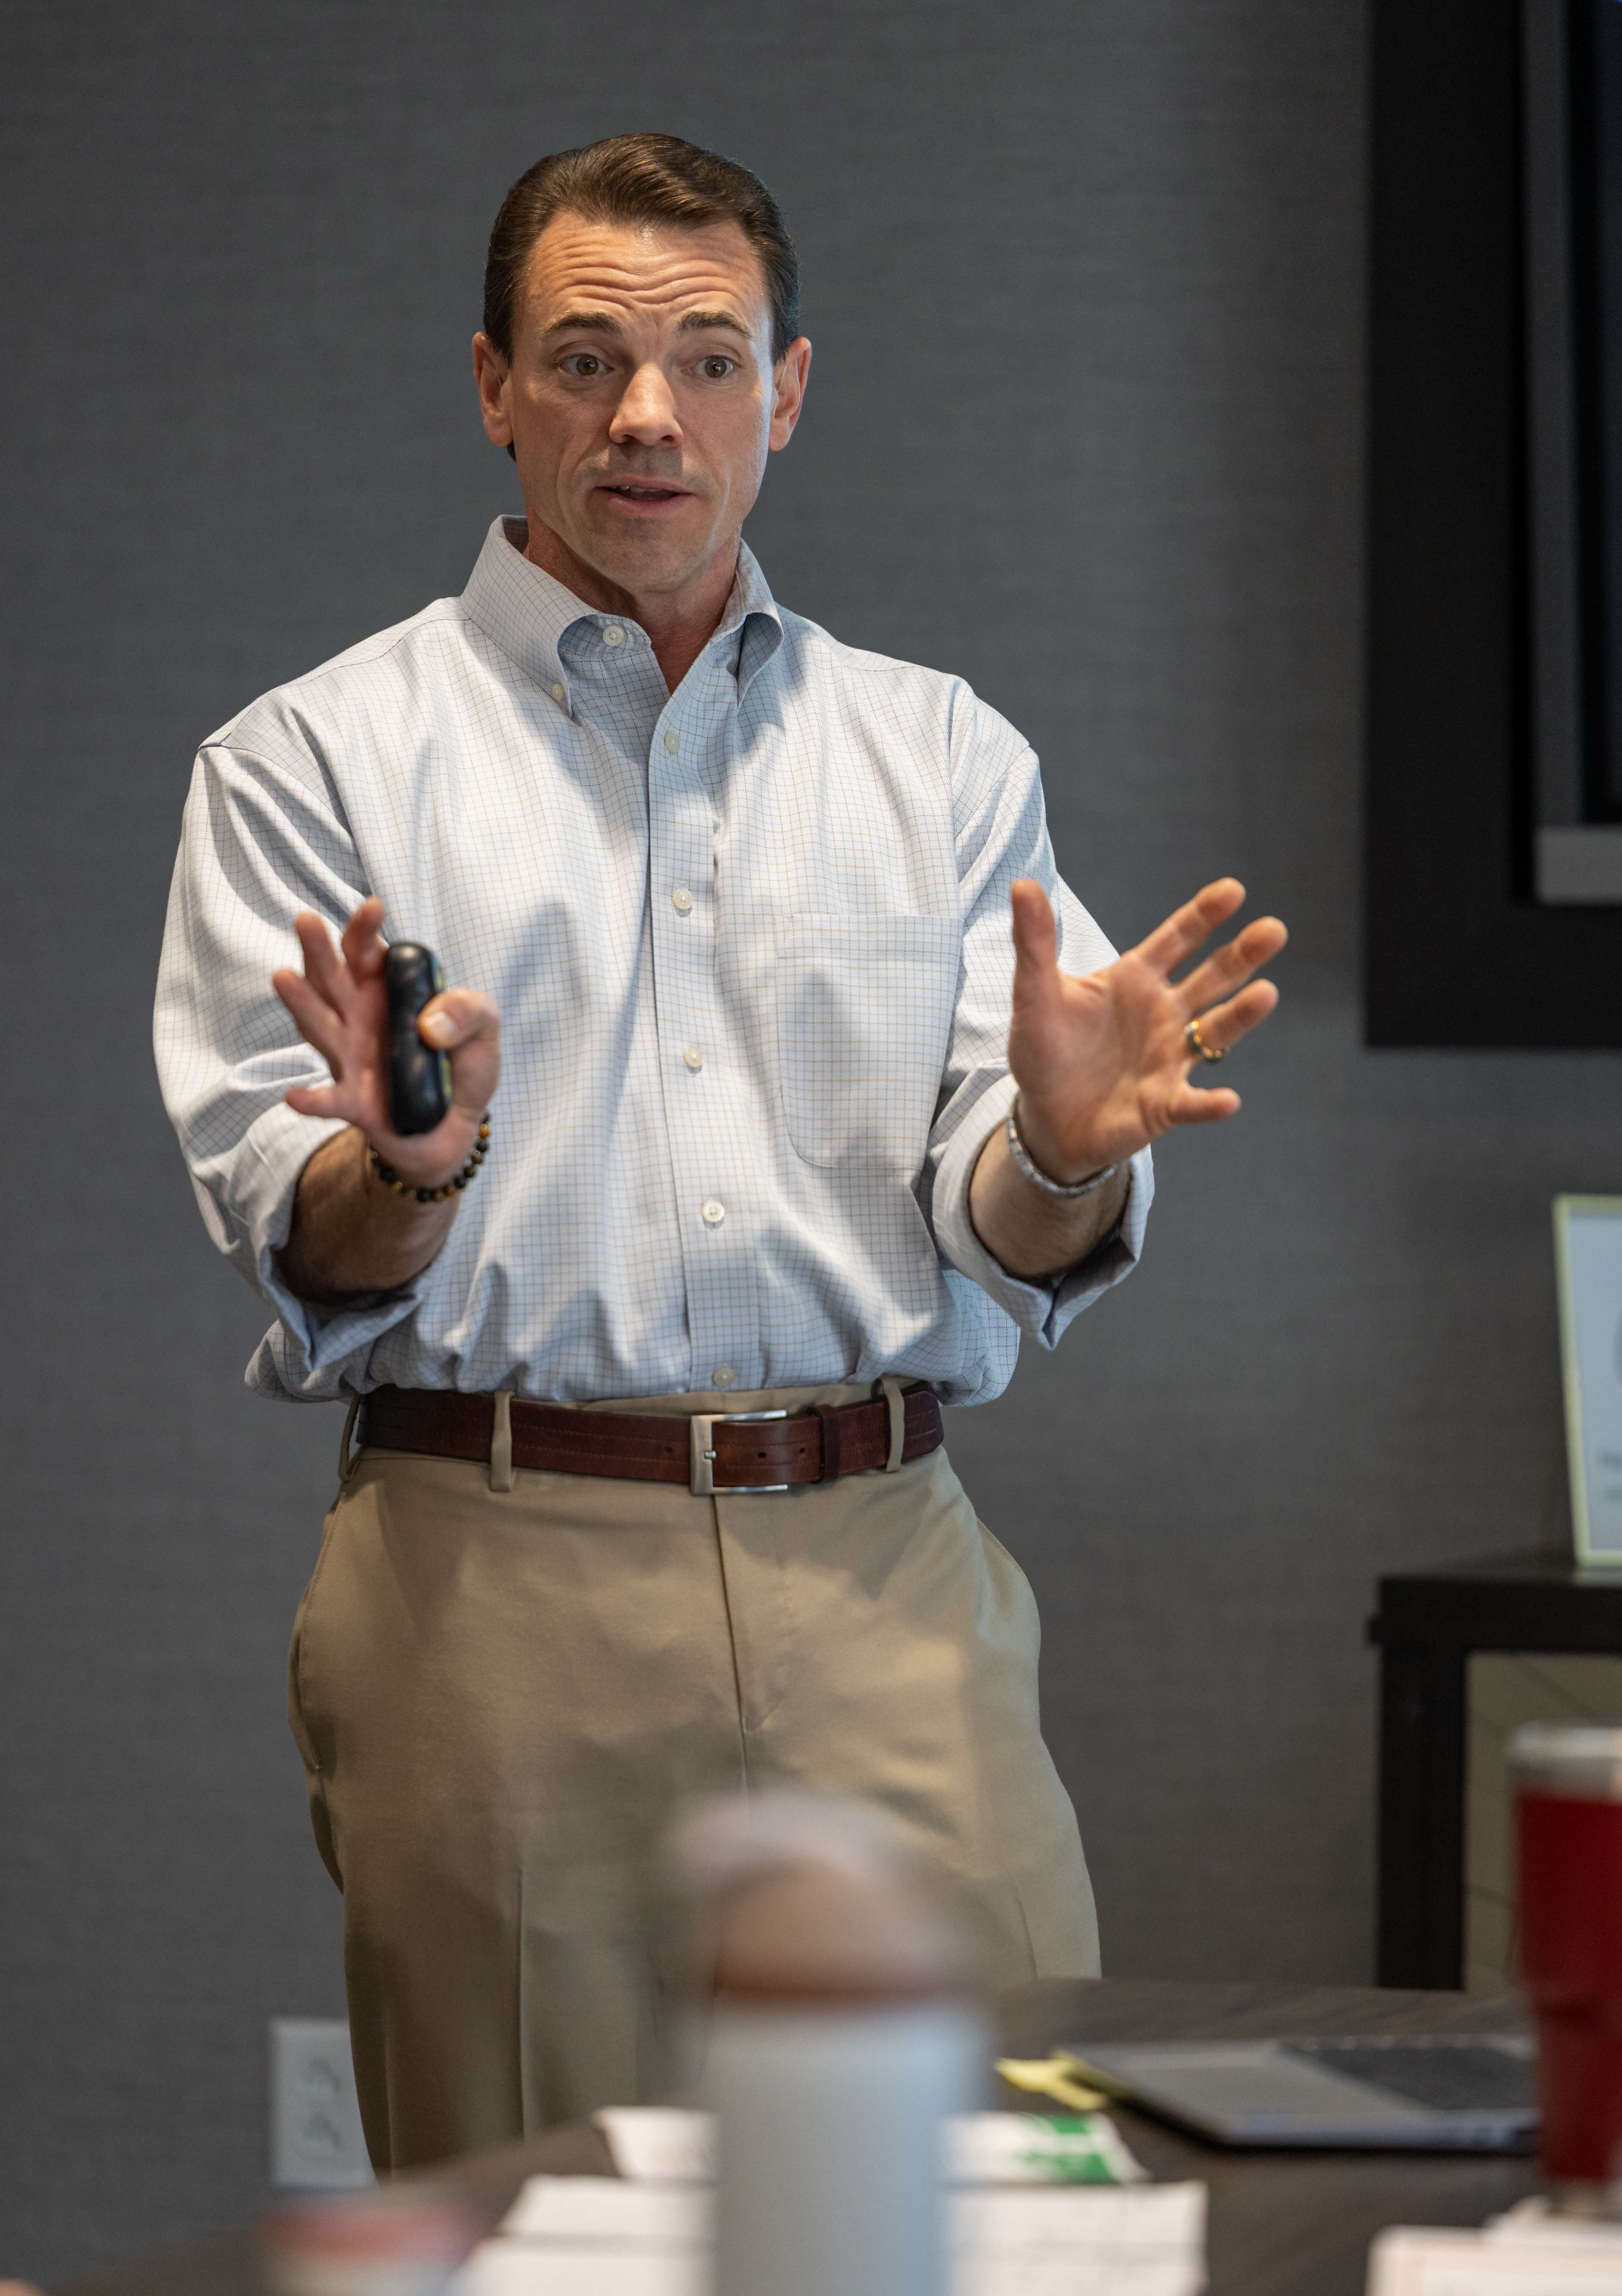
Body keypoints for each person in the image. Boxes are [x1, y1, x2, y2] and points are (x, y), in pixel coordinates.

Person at [155, 133, 1284, 2171]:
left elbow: (1001, 1221)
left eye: (707, 359)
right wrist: (412, 1160)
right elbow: (301, 1237)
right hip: (496, 1581)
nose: (647, 415)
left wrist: (1057, 1140)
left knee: (1018, 2206)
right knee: (545, 2264)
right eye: (584, 359)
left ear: (790, 390)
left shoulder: (939, 754)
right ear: (494, 386)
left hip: (884, 1557)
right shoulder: (311, 761)